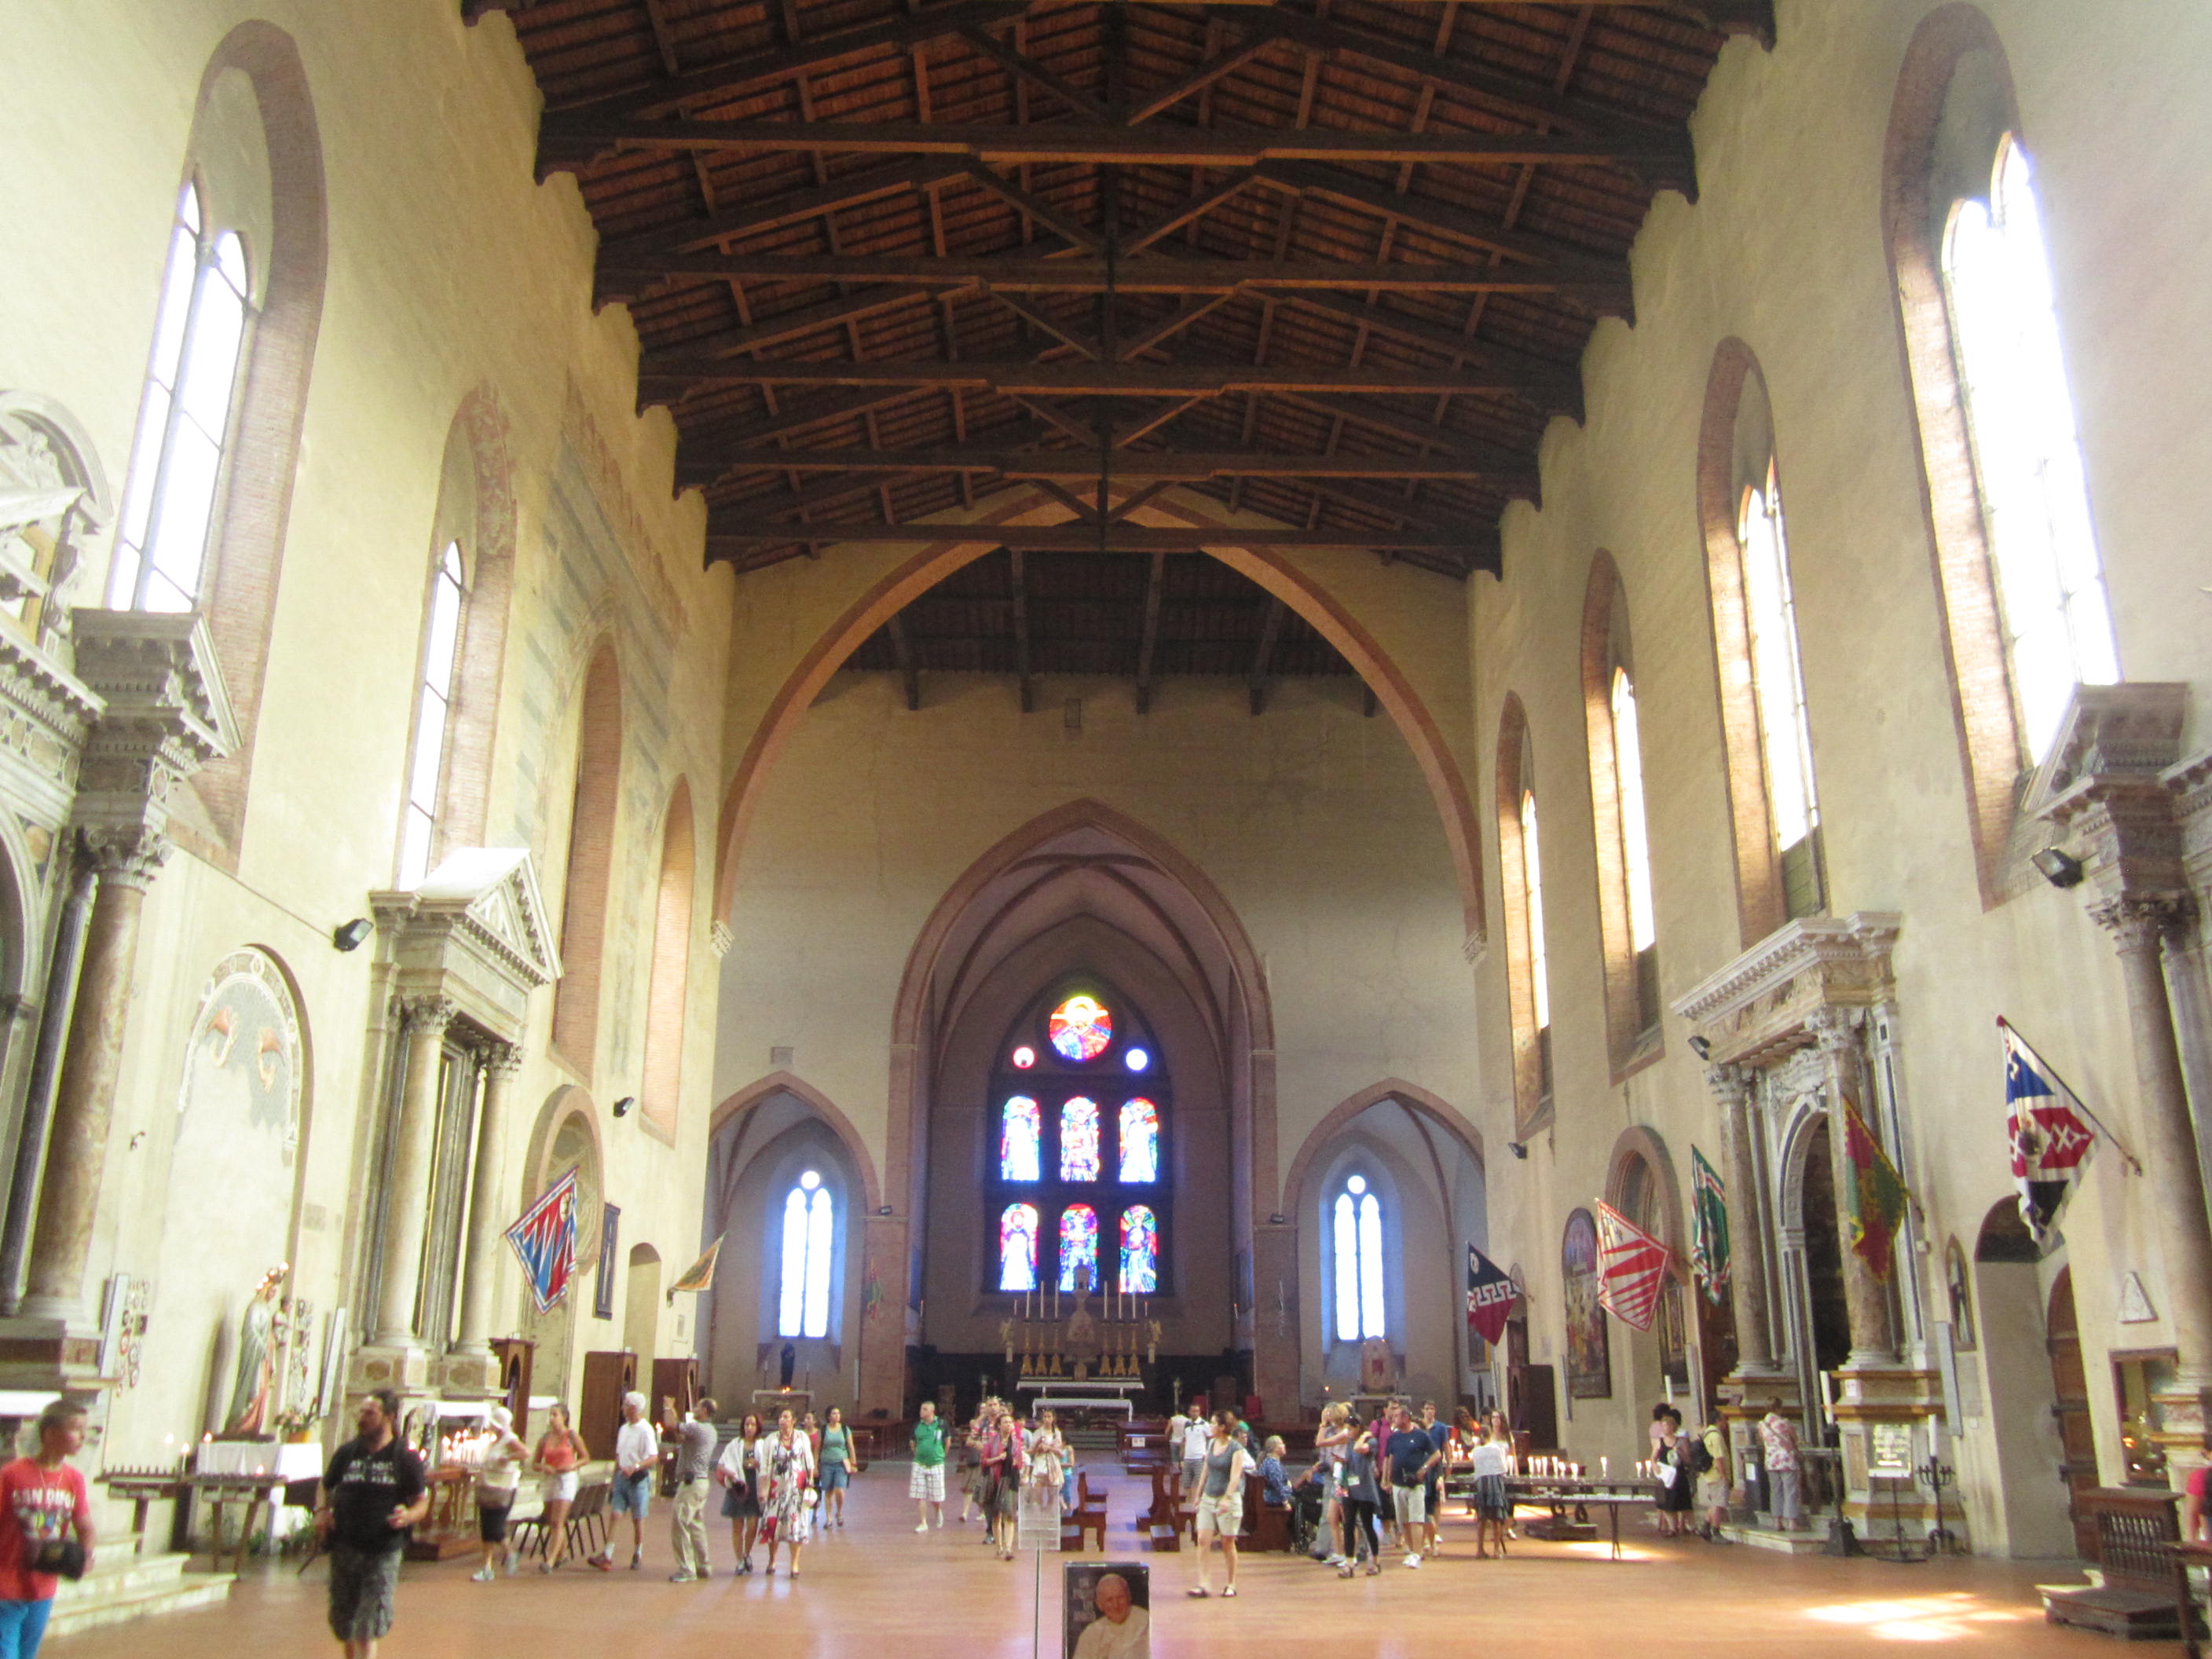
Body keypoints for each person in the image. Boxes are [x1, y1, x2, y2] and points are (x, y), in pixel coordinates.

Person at [315, 1390, 428, 1659]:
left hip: (382, 1548)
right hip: (345, 1545)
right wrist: (321, 1511)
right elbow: (325, 1484)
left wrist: (407, 1516)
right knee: (344, 1620)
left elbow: (421, 1502)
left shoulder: (404, 1457)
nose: (362, 1418)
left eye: (370, 1413)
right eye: (361, 1412)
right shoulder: (347, 1453)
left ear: (389, 1417)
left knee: (369, 1622)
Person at [0, 1398, 93, 1659]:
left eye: (85, 1430)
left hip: (43, 1585)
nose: (83, 1437)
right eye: (75, 1429)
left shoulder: (73, 1479)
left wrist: (86, 1555)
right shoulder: (11, 1474)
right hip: (6, 1583)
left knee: (27, 1654)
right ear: (50, 1433)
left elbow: (84, 1525)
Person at [1188, 1410, 1253, 1599]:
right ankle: (1204, 1584)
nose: (1210, 1426)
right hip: (1209, 1498)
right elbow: (1206, 1470)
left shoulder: (1235, 1448)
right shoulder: (1211, 1443)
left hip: (1228, 1500)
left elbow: (1235, 1476)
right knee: (1202, 1539)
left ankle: (1231, 1583)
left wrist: (1227, 1498)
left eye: (1214, 1423)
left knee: (1227, 1543)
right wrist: (1198, 1494)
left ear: (1223, 1427)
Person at [591, 1391, 658, 1570]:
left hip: (637, 1479)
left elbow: (653, 1457)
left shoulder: (645, 1429)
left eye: (625, 1405)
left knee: (638, 1518)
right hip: (622, 1477)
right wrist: (614, 1478)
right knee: (615, 1514)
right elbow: (619, 1456)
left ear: (634, 1408)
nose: (622, 1408)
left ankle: (637, 1552)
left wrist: (636, 1466)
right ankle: (607, 1554)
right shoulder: (624, 1429)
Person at [664, 1395, 719, 1582]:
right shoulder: (709, 1430)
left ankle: (687, 1569)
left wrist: (668, 1407)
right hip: (700, 1483)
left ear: (704, 1411)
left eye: (697, 1407)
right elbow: (680, 1436)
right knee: (695, 1525)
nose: (694, 1409)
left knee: (679, 1523)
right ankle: (703, 1565)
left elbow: (670, 1425)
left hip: (692, 1483)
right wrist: (674, 1413)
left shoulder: (698, 1428)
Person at [469, 1406, 527, 1582]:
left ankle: (510, 1553)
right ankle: (487, 1567)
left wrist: (507, 1458)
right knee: (486, 1529)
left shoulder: (509, 1438)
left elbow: (525, 1452)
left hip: (503, 1490)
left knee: (496, 1528)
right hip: (489, 1487)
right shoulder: (496, 1441)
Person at [758, 1408, 817, 1577]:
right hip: (776, 1489)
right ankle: (772, 1561)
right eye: (780, 1417)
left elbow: (809, 1461)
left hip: (796, 1489)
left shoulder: (801, 1437)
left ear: (793, 1420)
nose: (782, 1420)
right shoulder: (771, 1439)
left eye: (786, 1417)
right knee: (773, 1524)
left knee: (795, 1525)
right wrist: (763, 1488)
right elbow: (765, 1465)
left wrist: (810, 1480)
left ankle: (794, 1564)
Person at [530, 1403, 588, 1572]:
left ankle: (550, 1560)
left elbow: (585, 1457)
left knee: (558, 1521)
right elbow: (534, 1463)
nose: (552, 1418)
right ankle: (562, 1554)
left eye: (555, 1415)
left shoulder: (571, 1436)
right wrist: (544, 1467)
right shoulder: (544, 1439)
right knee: (551, 1519)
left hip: (566, 1479)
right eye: (550, 1415)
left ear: (564, 1417)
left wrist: (572, 1465)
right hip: (550, 1478)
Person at [1383, 1402, 1439, 1567]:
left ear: (1406, 1417)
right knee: (1403, 1521)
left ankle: (1418, 1552)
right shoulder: (1393, 1437)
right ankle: (1410, 1549)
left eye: (1396, 1416)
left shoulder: (1421, 1436)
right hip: (1398, 1484)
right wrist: (1386, 1478)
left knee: (1416, 1519)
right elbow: (1389, 1458)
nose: (1393, 1419)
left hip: (1415, 1485)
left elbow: (1436, 1454)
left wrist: (1424, 1468)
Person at [716, 1412, 766, 1572]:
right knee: (737, 1526)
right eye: (747, 1424)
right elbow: (721, 1464)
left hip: (755, 1487)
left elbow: (768, 1466)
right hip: (738, 1487)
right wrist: (730, 1473)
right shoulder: (734, 1444)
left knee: (752, 1525)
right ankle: (739, 1560)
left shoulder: (762, 1445)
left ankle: (747, 1554)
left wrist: (758, 1464)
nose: (749, 1428)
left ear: (758, 1427)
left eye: (753, 1425)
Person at [1335, 1419, 1383, 1577]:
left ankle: (1375, 1561)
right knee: (1348, 1524)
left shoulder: (1370, 1441)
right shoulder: (1349, 1442)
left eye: (1350, 1429)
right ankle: (1349, 1564)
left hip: (1364, 1488)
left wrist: (1363, 1437)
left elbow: (1359, 1449)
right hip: (1349, 1487)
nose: (1348, 1432)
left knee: (1367, 1525)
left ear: (1358, 1428)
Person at [1071, 1570, 1149, 1659]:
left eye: (1120, 1597)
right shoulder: (1090, 1634)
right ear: (1100, 1605)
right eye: (1109, 1600)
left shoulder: (1146, 1623)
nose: (1116, 1605)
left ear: (1129, 1597)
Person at [1313, 1401, 1354, 1566]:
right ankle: (1338, 1553)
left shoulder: (1345, 1432)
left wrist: (1322, 1425)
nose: (1327, 1416)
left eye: (1329, 1414)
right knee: (1331, 1517)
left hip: (1345, 1477)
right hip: (1336, 1476)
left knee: (1347, 1517)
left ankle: (1350, 1555)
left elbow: (1320, 1442)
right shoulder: (1337, 1431)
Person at [1468, 1426, 1511, 1559]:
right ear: (1490, 1435)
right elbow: (1503, 1468)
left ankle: (1480, 1550)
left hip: (1481, 1483)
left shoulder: (1476, 1451)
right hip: (1495, 1483)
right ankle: (1497, 1550)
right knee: (1496, 1518)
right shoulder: (1496, 1449)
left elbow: (1476, 1467)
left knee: (1481, 1519)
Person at [1759, 1404, 1802, 1533]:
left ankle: (1777, 1521)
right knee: (1790, 1490)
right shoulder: (1785, 1423)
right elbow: (1795, 1439)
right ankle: (1792, 1522)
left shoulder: (1762, 1425)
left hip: (1771, 1461)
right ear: (1779, 1409)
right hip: (1786, 1460)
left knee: (1775, 1491)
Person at [1654, 1408, 1695, 1536]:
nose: (1665, 1428)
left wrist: (1680, 1453)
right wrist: (1655, 1467)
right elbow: (1654, 1458)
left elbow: (1688, 1459)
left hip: (1678, 1474)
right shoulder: (1660, 1442)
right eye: (1663, 1426)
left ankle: (1691, 1526)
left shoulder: (1681, 1441)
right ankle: (1672, 1528)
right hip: (1666, 1476)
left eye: (1667, 1426)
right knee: (1668, 1503)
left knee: (1683, 1502)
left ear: (1673, 1427)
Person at [1417, 1401, 1451, 1558]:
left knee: (1434, 1504)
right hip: (1421, 1473)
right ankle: (1424, 1539)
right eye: (1427, 1409)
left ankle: (1434, 1533)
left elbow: (1445, 1447)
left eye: (1432, 1409)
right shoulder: (1418, 1430)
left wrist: (1449, 1464)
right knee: (1422, 1509)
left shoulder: (1440, 1428)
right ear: (1422, 1411)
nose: (1430, 1411)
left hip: (1434, 1471)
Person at [910, 1401, 948, 1532]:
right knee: (920, 1494)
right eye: (921, 1409)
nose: (922, 1411)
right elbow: (912, 1442)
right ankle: (923, 1522)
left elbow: (947, 1441)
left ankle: (937, 1510)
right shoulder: (917, 1425)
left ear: (932, 1411)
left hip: (936, 1463)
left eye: (925, 1409)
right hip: (920, 1463)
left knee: (936, 1496)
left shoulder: (941, 1424)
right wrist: (918, 1454)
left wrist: (941, 1455)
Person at [819, 1406, 857, 1529]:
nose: (837, 1416)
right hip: (826, 1463)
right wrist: (815, 1464)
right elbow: (817, 1448)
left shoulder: (845, 1429)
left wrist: (853, 1463)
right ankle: (829, 1518)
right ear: (829, 1416)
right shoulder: (823, 1430)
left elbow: (850, 1446)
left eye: (838, 1413)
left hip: (841, 1463)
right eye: (834, 1414)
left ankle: (839, 1512)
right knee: (828, 1491)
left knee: (839, 1489)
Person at [1696, 1418, 1732, 1543]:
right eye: (1724, 1420)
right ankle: (1716, 1531)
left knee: (1716, 1502)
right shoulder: (1716, 1436)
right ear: (1718, 1420)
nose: (1726, 1423)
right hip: (1717, 1474)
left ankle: (1705, 1526)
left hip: (1710, 1474)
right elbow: (1718, 1458)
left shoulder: (1707, 1434)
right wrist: (1723, 1475)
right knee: (1719, 1504)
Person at [1027, 1409, 1068, 1516]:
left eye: (1049, 1417)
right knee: (1038, 1494)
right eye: (1045, 1417)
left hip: (1053, 1464)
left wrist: (1049, 1448)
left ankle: (1050, 1516)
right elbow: (1031, 1450)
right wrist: (1038, 1446)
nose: (1047, 1419)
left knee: (1052, 1494)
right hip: (1040, 1464)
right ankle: (1039, 1515)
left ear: (1053, 1418)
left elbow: (1060, 1452)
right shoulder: (1038, 1433)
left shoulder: (1057, 1433)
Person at [1257, 1437, 1292, 1506]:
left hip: (1273, 1494)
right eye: (1281, 1444)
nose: (1284, 1446)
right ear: (1274, 1448)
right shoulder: (1273, 1464)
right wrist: (1285, 1502)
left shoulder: (1271, 1461)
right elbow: (1277, 1485)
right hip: (1272, 1497)